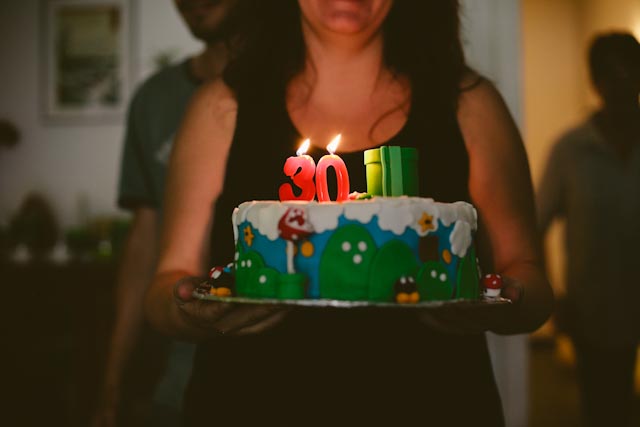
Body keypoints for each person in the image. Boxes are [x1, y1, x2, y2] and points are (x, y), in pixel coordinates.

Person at [145, 1, 554, 425]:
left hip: (436, 403)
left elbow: (530, 280)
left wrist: (506, 304)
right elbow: (165, 287)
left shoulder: (472, 105)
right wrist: (192, 311)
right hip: (249, 403)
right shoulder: (220, 107)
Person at [92, 1, 242, 426]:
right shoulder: (155, 100)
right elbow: (144, 245)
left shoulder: (297, 89)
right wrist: (111, 386)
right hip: (183, 383)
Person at [537, 32, 640, 427]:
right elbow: (537, 222)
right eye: (610, 74)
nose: (621, 83)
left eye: (629, 71)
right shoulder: (570, 150)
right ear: (595, 81)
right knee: (603, 408)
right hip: (593, 311)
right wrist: (553, 297)